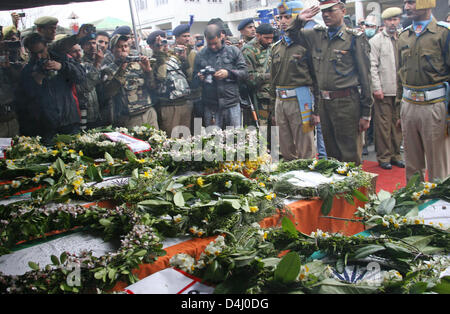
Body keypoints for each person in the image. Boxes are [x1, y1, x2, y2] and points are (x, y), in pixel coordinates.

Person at [288, 0, 373, 166]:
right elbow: (292, 34)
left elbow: (365, 77)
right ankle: (338, 192)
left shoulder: (354, 38)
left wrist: (366, 113)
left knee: (349, 155)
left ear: (342, 10)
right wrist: (299, 19)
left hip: (347, 103)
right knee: (331, 155)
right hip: (325, 103)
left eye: (330, 10)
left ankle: (355, 191)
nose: (326, 15)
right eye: (323, 11)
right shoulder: (317, 35)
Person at [396, 0, 450, 182]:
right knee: (412, 164)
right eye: (405, 3)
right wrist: (398, 110)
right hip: (408, 106)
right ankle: (414, 204)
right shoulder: (403, 36)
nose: (406, 7)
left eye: (411, 2)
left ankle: (440, 207)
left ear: (427, 3)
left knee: (438, 165)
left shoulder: (444, 33)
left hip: (434, 107)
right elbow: (399, 75)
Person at [17, 33, 86, 144]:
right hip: (45, 127)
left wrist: (62, 67)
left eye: (41, 52)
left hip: (69, 121)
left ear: (46, 46)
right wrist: (37, 81)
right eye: (34, 54)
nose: (39, 57)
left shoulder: (62, 58)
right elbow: (26, 100)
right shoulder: (28, 70)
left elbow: (81, 77)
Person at [270, 1, 318, 161]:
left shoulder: (307, 43)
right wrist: (273, 107)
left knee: (305, 147)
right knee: (285, 147)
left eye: (287, 17)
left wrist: (316, 110)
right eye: (280, 17)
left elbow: (317, 78)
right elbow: (273, 79)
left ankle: (309, 180)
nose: (283, 21)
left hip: (300, 100)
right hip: (280, 101)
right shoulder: (276, 47)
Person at [193, 24, 248, 129]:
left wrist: (228, 73)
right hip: (211, 105)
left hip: (231, 103)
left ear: (221, 37)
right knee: (213, 140)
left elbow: (245, 73)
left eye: (215, 43)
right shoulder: (200, 55)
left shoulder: (233, 51)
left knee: (235, 139)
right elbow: (193, 81)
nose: (213, 46)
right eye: (210, 44)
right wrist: (199, 78)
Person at [369, 7, 405, 170]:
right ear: (384, 22)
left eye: (395, 19)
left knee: (398, 125)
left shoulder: (402, 38)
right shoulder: (376, 40)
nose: (393, 23)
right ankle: (384, 157)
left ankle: (396, 155)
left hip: (400, 90)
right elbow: (372, 66)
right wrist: (376, 88)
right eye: (390, 20)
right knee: (383, 126)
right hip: (384, 89)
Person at [101, 34, 158, 130]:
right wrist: (122, 68)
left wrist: (148, 71)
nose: (123, 49)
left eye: (125, 46)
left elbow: (152, 86)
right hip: (129, 116)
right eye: (119, 47)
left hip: (148, 111)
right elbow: (109, 92)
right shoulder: (108, 70)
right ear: (112, 50)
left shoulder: (138, 64)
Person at [152, 26, 193, 137]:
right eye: (160, 43)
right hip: (168, 106)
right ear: (152, 46)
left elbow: (189, 76)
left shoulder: (174, 57)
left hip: (183, 103)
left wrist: (184, 60)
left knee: (186, 139)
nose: (164, 45)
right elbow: (161, 77)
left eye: (165, 41)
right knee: (172, 139)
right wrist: (160, 53)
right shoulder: (153, 61)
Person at [241, 23, 275, 136]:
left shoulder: (272, 48)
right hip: (259, 100)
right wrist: (268, 76)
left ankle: (276, 153)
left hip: (274, 98)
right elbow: (249, 78)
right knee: (261, 133)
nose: (269, 41)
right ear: (258, 35)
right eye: (266, 38)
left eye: (271, 38)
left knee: (276, 132)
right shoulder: (248, 50)